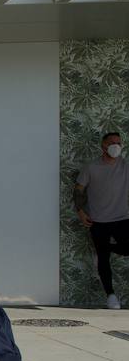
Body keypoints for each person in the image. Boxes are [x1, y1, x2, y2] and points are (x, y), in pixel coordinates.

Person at [74, 132, 129, 309]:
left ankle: (108, 247)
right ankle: (111, 296)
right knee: (103, 258)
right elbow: (79, 190)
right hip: (97, 220)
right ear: (103, 146)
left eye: (119, 143)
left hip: (122, 218)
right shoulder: (91, 167)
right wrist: (81, 212)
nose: (116, 146)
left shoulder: (125, 166)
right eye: (112, 143)